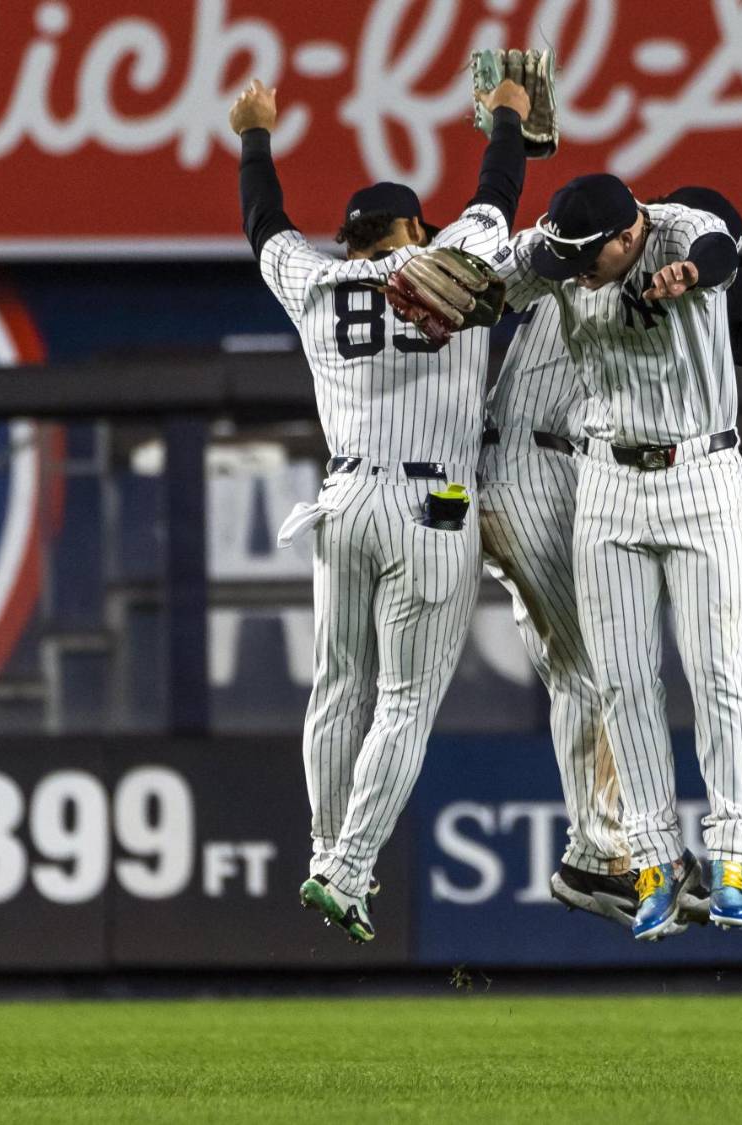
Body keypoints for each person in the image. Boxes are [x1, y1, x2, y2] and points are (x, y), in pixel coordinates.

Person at [478, 184, 742, 934]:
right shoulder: (568, 254)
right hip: (588, 477)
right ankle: (644, 860)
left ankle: (723, 855)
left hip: (691, 476)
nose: (576, 269)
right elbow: (494, 281)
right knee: (616, 681)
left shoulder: (684, 238)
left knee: (711, 670)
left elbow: (733, 290)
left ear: (634, 234)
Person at [230, 76, 531, 943]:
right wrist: (507, 119)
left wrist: (254, 136)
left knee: (336, 688)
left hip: (344, 498)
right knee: (402, 703)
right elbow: (496, 194)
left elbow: (265, 224)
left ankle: (327, 854)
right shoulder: (453, 255)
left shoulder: (315, 281)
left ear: (350, 238)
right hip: (431, 503)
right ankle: (349, 867)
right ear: (415, 230)